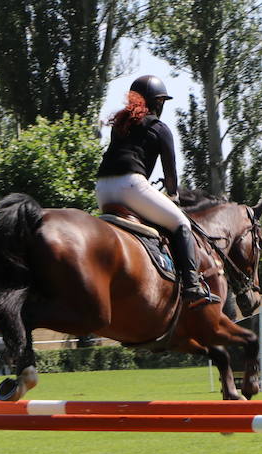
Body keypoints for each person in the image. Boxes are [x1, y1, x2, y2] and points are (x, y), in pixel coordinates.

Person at [96, 75, 212, 305]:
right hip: (131, 185)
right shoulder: (160, 128)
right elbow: (170, 173)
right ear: (156, 102)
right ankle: (191, 284)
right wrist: (173, 197)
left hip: (102, 189)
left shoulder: (120, 125)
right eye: (162, 102)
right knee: (181, 224)